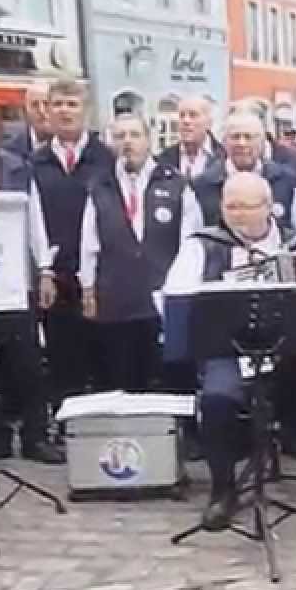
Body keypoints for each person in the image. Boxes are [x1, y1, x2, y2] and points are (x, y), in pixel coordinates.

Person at [163, 172, 296, 529]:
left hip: (292, 357)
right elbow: (175, 300)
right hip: (230, 354)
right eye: (230, 206)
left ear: (269, 207)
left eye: (247, 206)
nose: (237, 214)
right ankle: (223, 490)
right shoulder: (202, 246)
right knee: (216, 398)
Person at [78, 113, 186, 392]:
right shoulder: (99, 185)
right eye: (120, 136)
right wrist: (88, 290)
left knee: (163, 380)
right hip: (116, 298)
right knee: (121, 379)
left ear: (148, 140)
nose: (128, 142)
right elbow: (89, 244)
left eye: (134, 135)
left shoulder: (175, 183)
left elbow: (190, 242)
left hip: (162, 298)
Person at [32, 77, 116, 411]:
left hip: (103, 276)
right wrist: (44, 271)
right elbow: (34, 220)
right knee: (63, 358)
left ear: (86, 110)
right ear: (48, 110)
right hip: (57, 278)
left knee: (103, 357)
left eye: (72, 104)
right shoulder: (36, 163)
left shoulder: (106, 159)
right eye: (58, 104)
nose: (65, 111)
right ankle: (69, 429)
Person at [0, 116, 62, 464]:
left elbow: (35, 222)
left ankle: (36, 436)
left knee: (28, 364)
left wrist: (45, 269)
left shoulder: (17, 168)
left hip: (15, 283)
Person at [185, 113, 296, 235]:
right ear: (224, 142)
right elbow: (192, 235)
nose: (242, 143)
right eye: (235, 137)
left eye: (248, 137)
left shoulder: (287, 181)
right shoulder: (201, 186)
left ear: (262, 142)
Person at [157, 95, 223, 180]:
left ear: (209, 123)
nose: (186, 121)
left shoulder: (223, 157)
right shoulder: (163, 159)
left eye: (193, 115)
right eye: (182, 116)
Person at [2, 82, 51, 159]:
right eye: (34, 105)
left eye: (46, 104)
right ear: (25, 110)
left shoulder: (69, 147)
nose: (41, 110)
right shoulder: (7, 151)